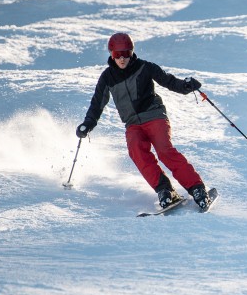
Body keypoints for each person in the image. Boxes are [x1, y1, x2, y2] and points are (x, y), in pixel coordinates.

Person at [76, 32, 210, 210]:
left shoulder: (145, 67)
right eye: (117, 55)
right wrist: (88, 123)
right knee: (136, 151)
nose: (122, 59)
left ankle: (197, 188)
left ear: (132, 53)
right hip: (133, 124)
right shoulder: (107, 78)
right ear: (111, 55)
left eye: (126, 54)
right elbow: (97, 104)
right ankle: (165, 190)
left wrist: (185, 86)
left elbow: (168, 81)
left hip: (153, 115)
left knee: (164, 150)